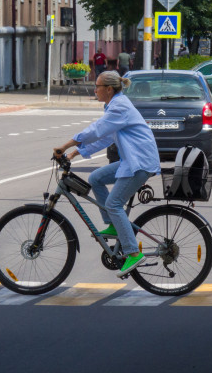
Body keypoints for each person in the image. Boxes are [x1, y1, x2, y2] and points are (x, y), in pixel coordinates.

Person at [53, 71, 160, 278]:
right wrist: (76, 152)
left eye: (98, 86)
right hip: (133, 160)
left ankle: (133, 252)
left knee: (113, 203)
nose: (95, 90)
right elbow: (105, 137)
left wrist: (66, 144)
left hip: (140, 164)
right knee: (95, 178)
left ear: (109, 89)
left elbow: (96, 130)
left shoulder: (119, 107)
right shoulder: (115, 106)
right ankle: (112, 225)